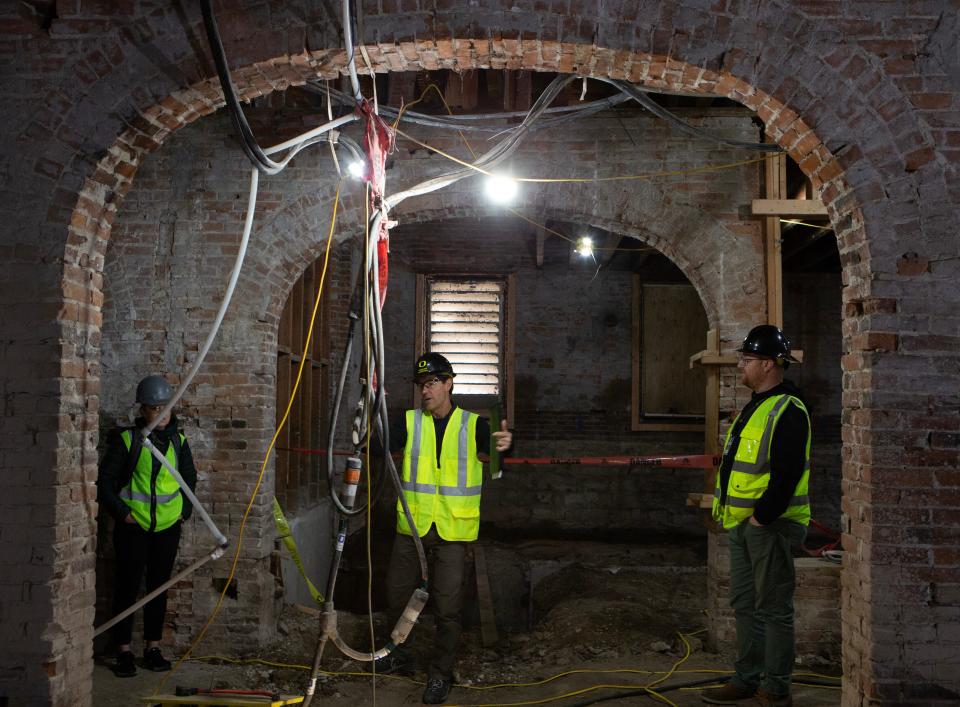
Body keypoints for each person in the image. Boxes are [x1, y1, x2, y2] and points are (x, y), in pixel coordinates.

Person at [373, 353, 512, 705]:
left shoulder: (473, 424)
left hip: (453, 530)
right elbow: (378, 447)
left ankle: (440, 674)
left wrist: (507, 445)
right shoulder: (408, 422)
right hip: (413, 529)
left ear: (449, 383)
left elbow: (498, 460)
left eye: (432, 383)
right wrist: (370, 416)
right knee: (395, 595)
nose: (425, 391)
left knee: (447, 607)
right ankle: (397, 656)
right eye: (421, 385)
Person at [701, 325, 811, 707]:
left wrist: (762, 517)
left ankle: (776, 688)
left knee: (774, 609)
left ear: (768, 364)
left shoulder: (788, 409)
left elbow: (787, 472)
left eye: (746, 360)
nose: (740, 366)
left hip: (770, 526)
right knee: (745, 604)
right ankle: (746, 678)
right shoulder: (755, 406)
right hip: (745, 526)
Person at [97, 375, 197, 678]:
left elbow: (189, 479)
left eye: (166, 407)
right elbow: (105, 484)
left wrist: (184, 512)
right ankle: (123, 651)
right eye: (155, 408)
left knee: (158, 589)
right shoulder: (127, 441)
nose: (162, 413)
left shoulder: (179, 441)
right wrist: (123, 514)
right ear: (143, 411)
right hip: (134, 528)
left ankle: (153, 647)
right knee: (126, 587)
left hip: (167, 528)